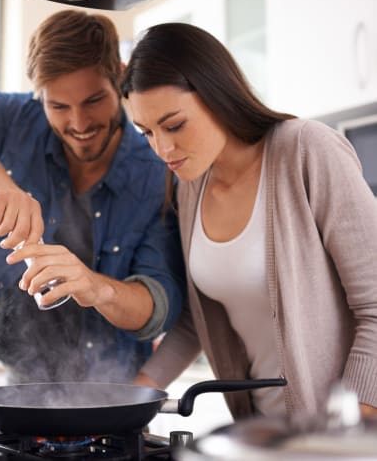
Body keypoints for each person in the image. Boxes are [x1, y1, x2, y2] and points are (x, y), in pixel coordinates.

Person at [0, 10, 185, 391]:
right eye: (58, 106)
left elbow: (157, 307)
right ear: (40, 96)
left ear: (121, 75)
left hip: (113, 399)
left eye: (94, 100)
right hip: (14, 387)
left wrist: (95, 288)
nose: (79, 124)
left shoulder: (157, 172)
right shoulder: (21, 120)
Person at [121, 22, 377, 420]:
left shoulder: (307, 151)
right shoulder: (192, 185)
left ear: (217, 95)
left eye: (174, 125)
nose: (163, 148)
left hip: (340, 440)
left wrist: (346, 430)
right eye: (147, 132)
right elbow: (199, 318)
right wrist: (134, 395)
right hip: (262, 435)